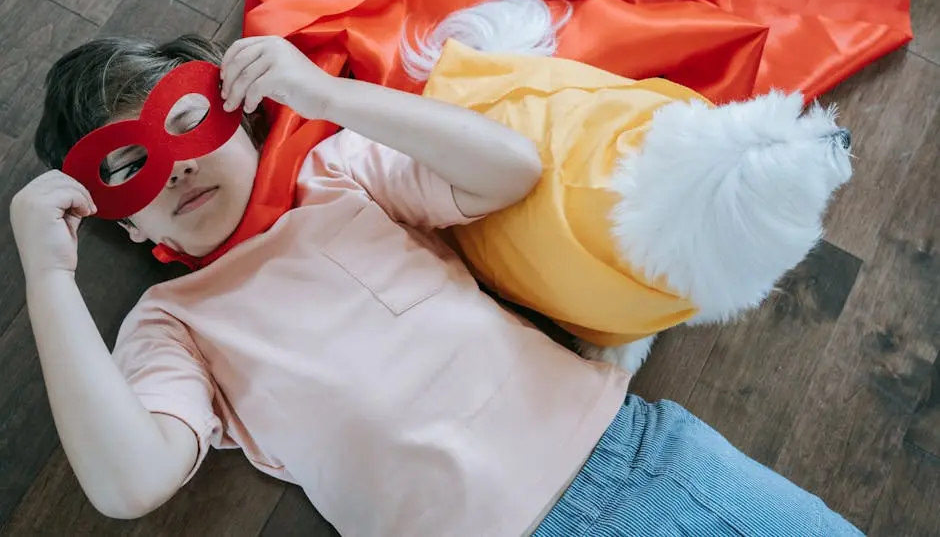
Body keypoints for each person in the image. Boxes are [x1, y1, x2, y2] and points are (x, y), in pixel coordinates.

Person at [10, 33, 863, 537]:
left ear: (239, 113)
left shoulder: (338, 175)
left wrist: (323, 94)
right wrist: (48, 274)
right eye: (130, 171)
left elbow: (510, 168)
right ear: (127, 226)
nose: (175, 169)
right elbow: (129, 481)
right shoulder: (172, 324)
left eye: (188, 123)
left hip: (630, 461)